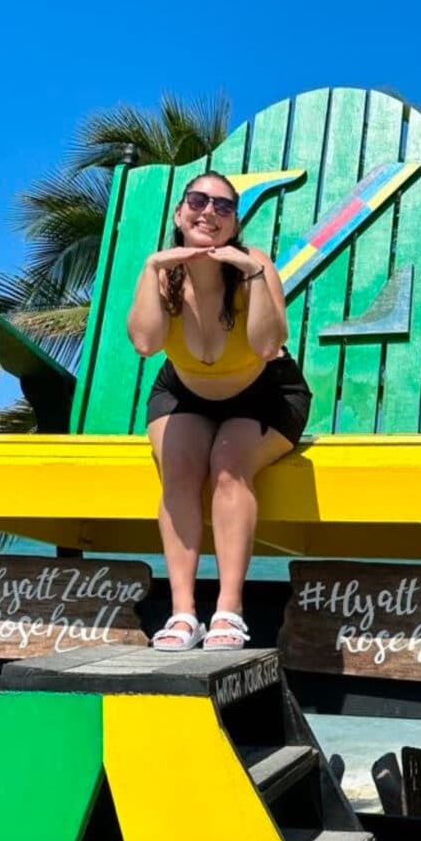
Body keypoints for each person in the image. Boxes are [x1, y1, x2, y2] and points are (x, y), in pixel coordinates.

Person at [127, 170, 312, 651]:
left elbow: (269, 345)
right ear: (179, 212)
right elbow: (146, 343)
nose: (209, 211)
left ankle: (229, 610)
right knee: (180, 471)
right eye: (198, 201)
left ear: (234, 224)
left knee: (228, 468)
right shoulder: (162, 272)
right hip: (185, 393)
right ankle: (183, 614)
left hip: (265, 391)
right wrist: (151, 268)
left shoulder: (254, 265)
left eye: (223, 207)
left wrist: (252, 277)